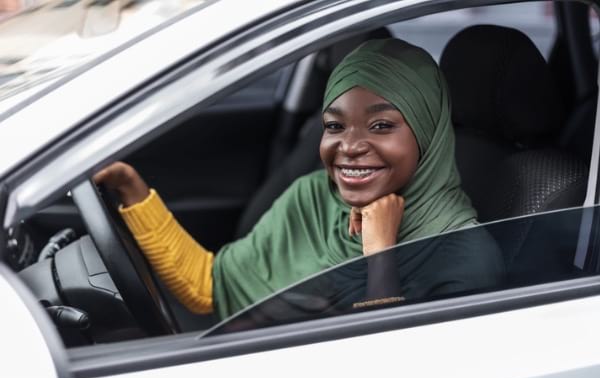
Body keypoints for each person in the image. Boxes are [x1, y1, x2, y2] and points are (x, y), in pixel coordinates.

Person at [95, 38, 505, 320]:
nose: (350, 146)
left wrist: (379, 253)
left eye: (380, 125)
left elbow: (387, 373)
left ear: (428, 131)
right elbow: (210, 288)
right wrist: (134, 191)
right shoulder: (312, 199)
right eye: (335, 125)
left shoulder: (466, 261)